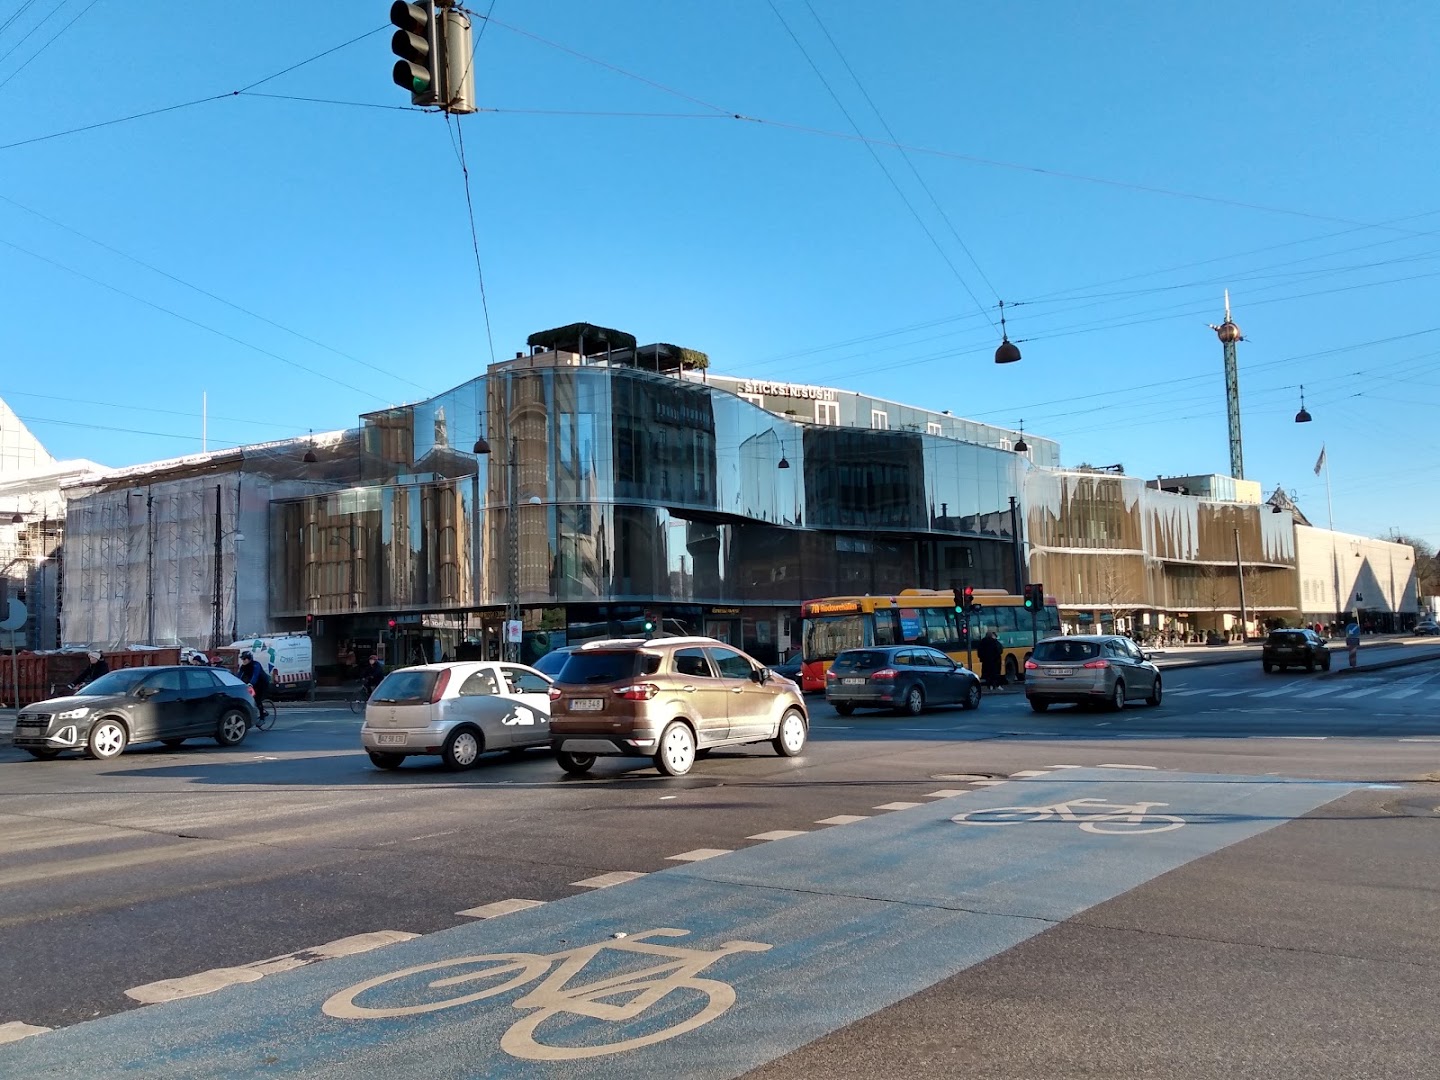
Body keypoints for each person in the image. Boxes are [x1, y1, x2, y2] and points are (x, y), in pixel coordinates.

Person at [238, 650, 271, 722]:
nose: (243, 660)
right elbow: (239, 675)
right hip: (253, 684)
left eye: (245, 659)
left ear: (249, 659)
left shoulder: (256, 665)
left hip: (262, 683)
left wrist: (251, 683)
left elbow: (255, 675)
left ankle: (262, 717)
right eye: (242, 659)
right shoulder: (243, 667)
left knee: (257, 698)